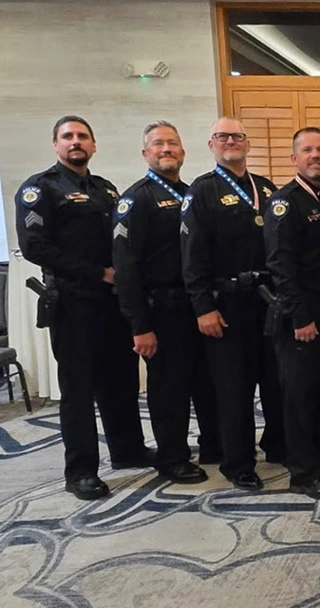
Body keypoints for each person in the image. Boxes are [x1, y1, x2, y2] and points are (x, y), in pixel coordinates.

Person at [15, 116, 152, 500]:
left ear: (93, 145)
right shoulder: (39, 189)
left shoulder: (106, 189)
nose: (76, 142)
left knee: (120, 380)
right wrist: (98, 273)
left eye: (82, 137)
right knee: (78, 390)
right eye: (68, 137)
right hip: (73, 301)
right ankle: (80, 471)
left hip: (112, 302)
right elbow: (35, 247)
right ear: (55, 145)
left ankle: (128, 450)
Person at [112, 121, 219, 484]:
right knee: (169, 389)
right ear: (145, 154)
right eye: (158, 144)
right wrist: (139, 325)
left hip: (196, 305)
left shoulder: (190, 193)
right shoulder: (136, 199)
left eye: (172, 143)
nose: (166, 149)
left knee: (205, 382)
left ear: (184, 152)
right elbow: (126, 268)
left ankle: (213, 444)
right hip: (161, 308)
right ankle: (172, 457)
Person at [181, 117, 285, 491]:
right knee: (234, 387)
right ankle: (237, 461)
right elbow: (192, 256)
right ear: (211, 145)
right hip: (226, 303)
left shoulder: (267, 188)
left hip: (268, 301)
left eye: (237, 135)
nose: (230, 141)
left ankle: (278, 444)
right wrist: (202, 306)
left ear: (247, 142)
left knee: (275, 380)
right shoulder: (201, 192)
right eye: (222, 136)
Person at [263, 127, 320, 501]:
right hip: (301, 317)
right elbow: (280, 264)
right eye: (308, 150)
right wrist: (300, 317)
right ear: (294, 158)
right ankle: (302, 472)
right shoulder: (285, 202)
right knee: (300, 396)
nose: (316, 156)